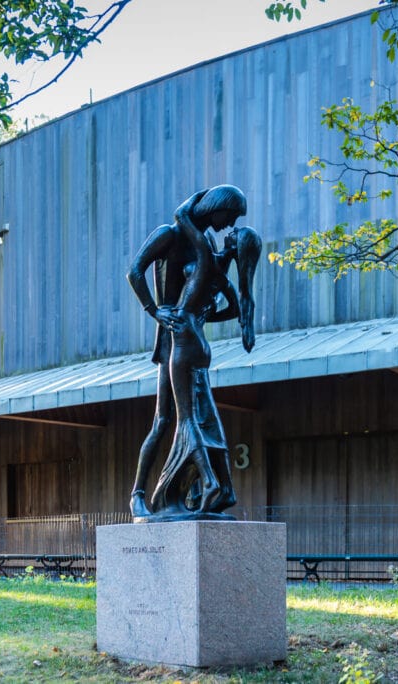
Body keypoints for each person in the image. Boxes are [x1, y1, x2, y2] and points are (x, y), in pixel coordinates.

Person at [126, 185, 257, 520]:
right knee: (164, 419)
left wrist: (200, 316)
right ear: (216, 208)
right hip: (172, 336)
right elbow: (135, 270)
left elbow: (216, 295)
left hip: (188, 333)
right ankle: (138, 494)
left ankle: (196, 489)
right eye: (229, 216)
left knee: (190, 416)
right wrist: (154, 310)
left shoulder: (206, 245)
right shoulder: (170, 235)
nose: (229, 224)